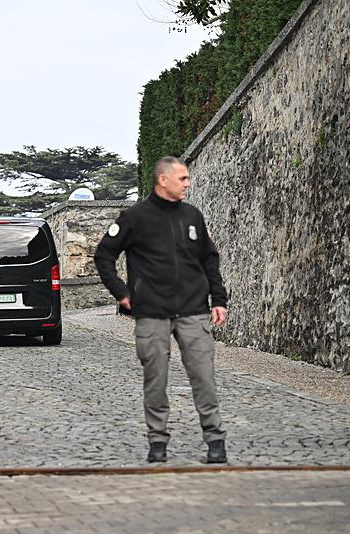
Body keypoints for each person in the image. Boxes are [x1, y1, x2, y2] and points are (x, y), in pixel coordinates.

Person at [94, 155, 229, 464]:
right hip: (151, 313)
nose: (188, 183)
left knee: (204, 377)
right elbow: (104, 256)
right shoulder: (134, 218)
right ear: (163, 180)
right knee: (155, 380)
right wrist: (122, 293)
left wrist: (218, 300)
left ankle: (215, 441)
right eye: (182, 178)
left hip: (194, 311)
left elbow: (209, 259)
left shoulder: (192, 216)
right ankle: (157, 442)